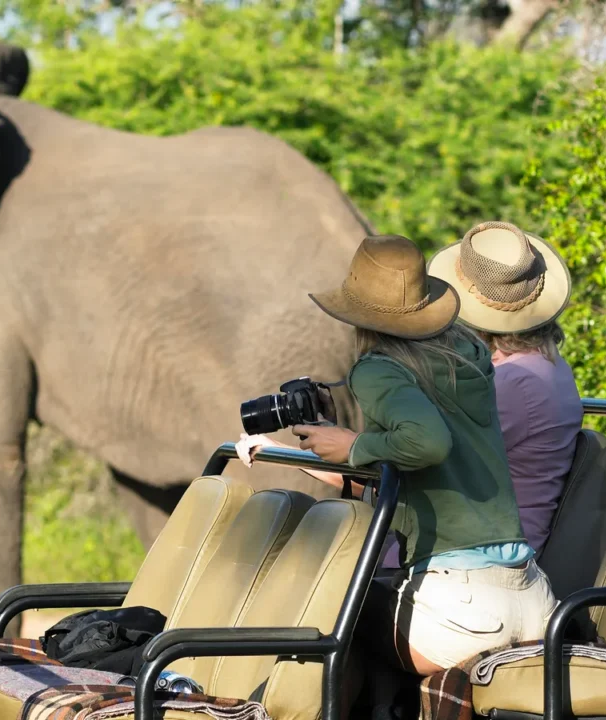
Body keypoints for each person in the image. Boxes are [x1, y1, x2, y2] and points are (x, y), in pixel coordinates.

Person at [238, 233, 557, 682]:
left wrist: (354, 447)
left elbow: (428, 442)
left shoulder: (376, 369)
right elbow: (433, 445)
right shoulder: (470, 358)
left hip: (458, 614)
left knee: (324, 622)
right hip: (531, 599)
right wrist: (343, 440)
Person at [427, 220, 581, 554]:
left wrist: (343, 452)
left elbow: (430, 459)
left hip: (484, 551)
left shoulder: (514, 382)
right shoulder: (543, 366)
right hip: (483, 538)